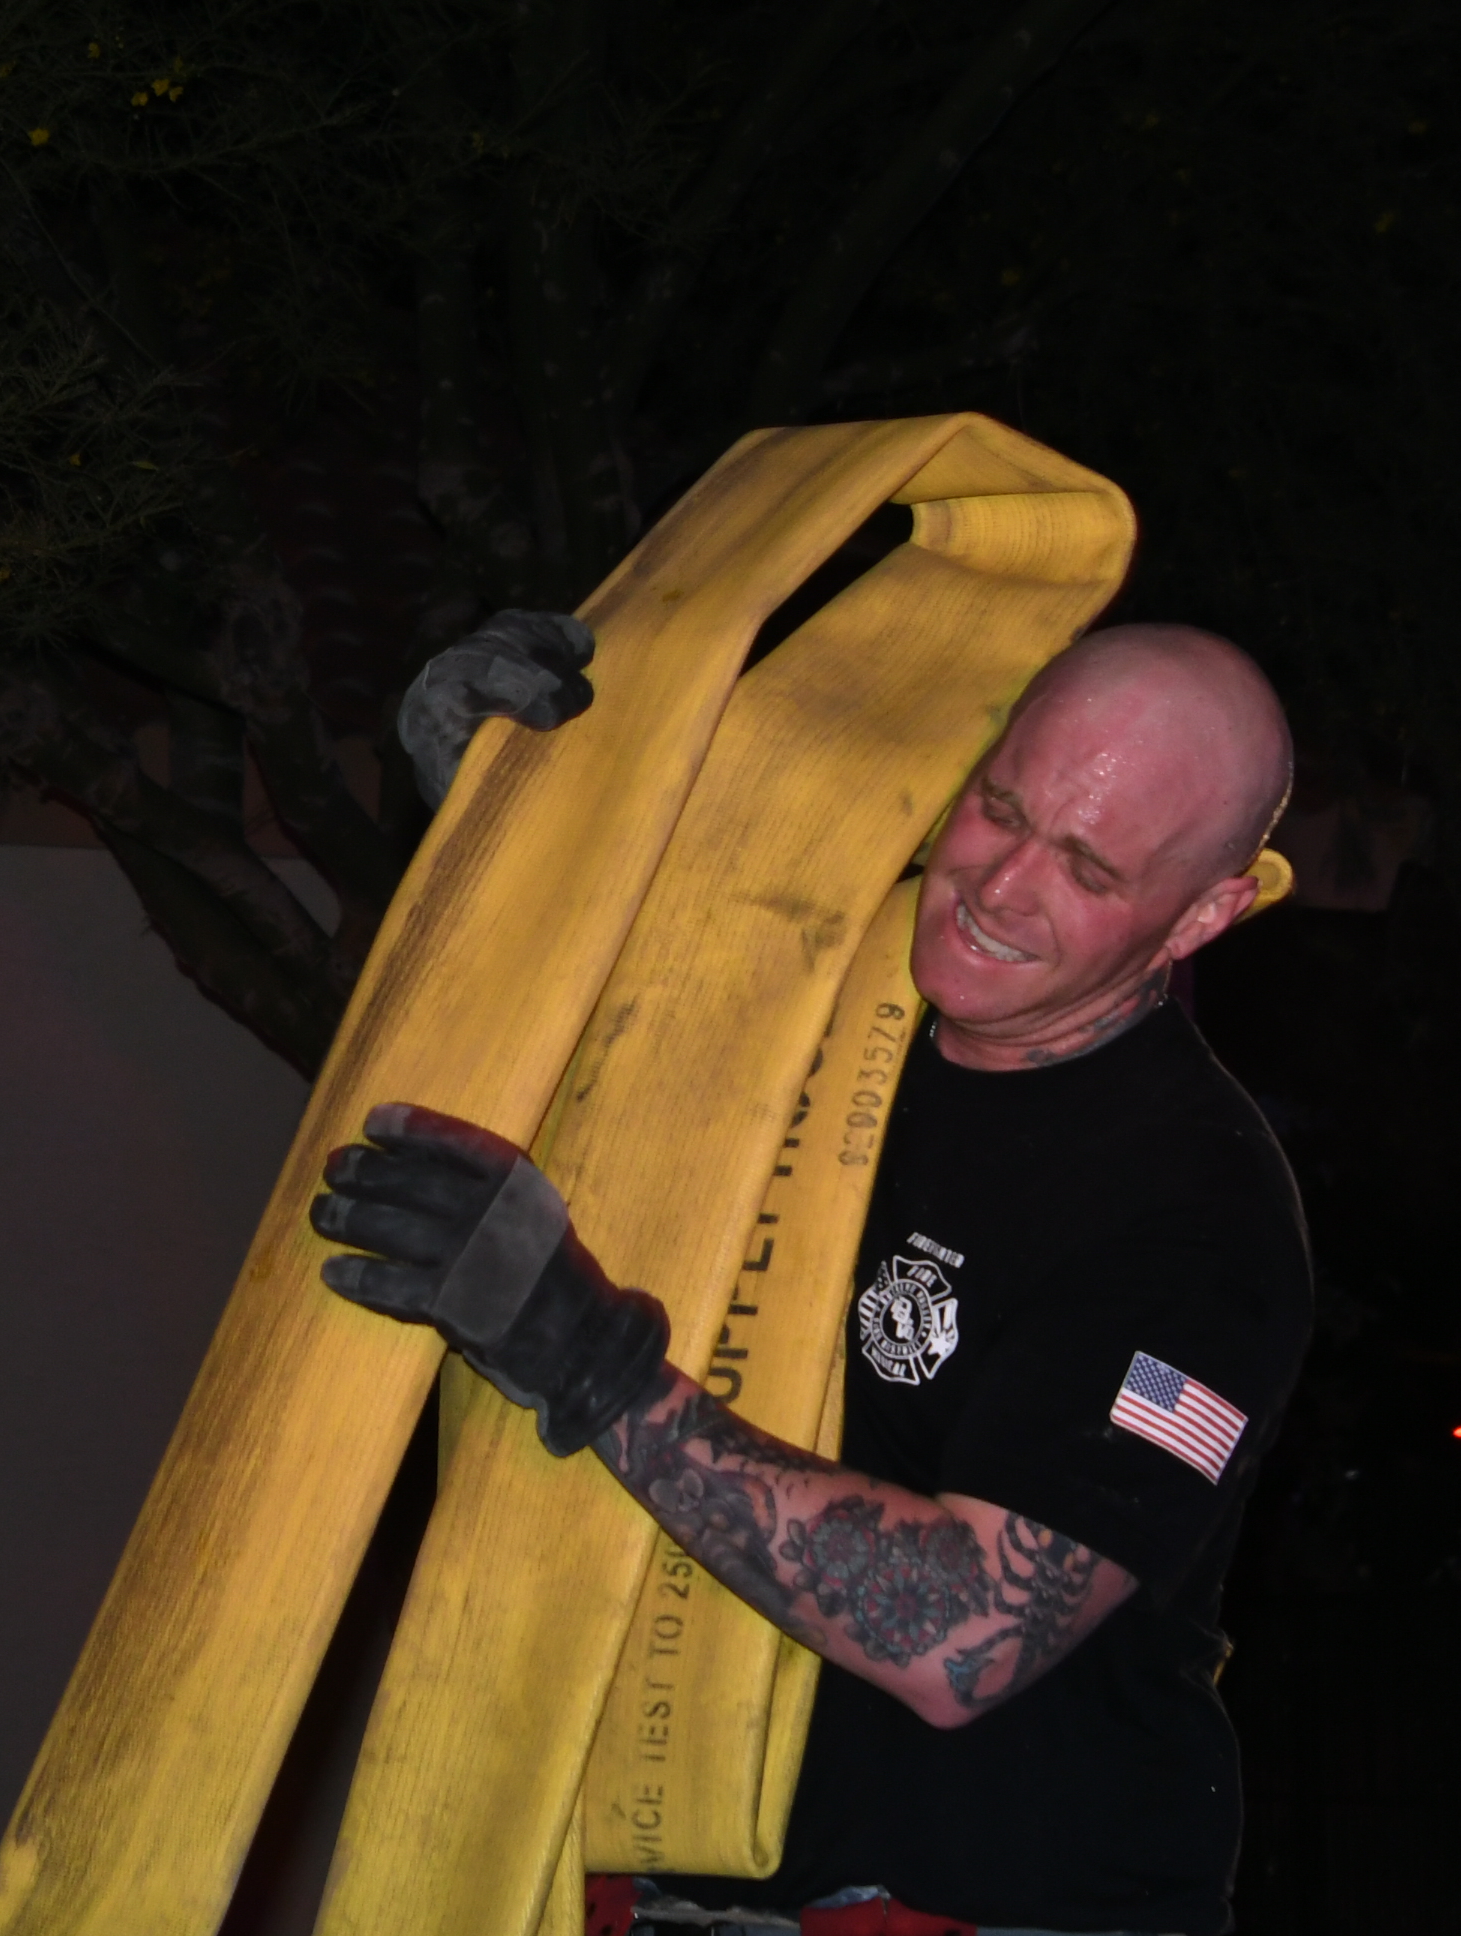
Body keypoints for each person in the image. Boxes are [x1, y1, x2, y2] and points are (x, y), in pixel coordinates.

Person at [329, 620, 1312, 1936]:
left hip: (992, 1908)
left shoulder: (1196, 1214)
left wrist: (582, 1357)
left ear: (1203, 915)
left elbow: (966, 1634)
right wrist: (522, 810)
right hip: (667, 1879)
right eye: (998, 808)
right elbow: (626, 952)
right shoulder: (813, 997)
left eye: (1086, 867)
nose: (997, 888)